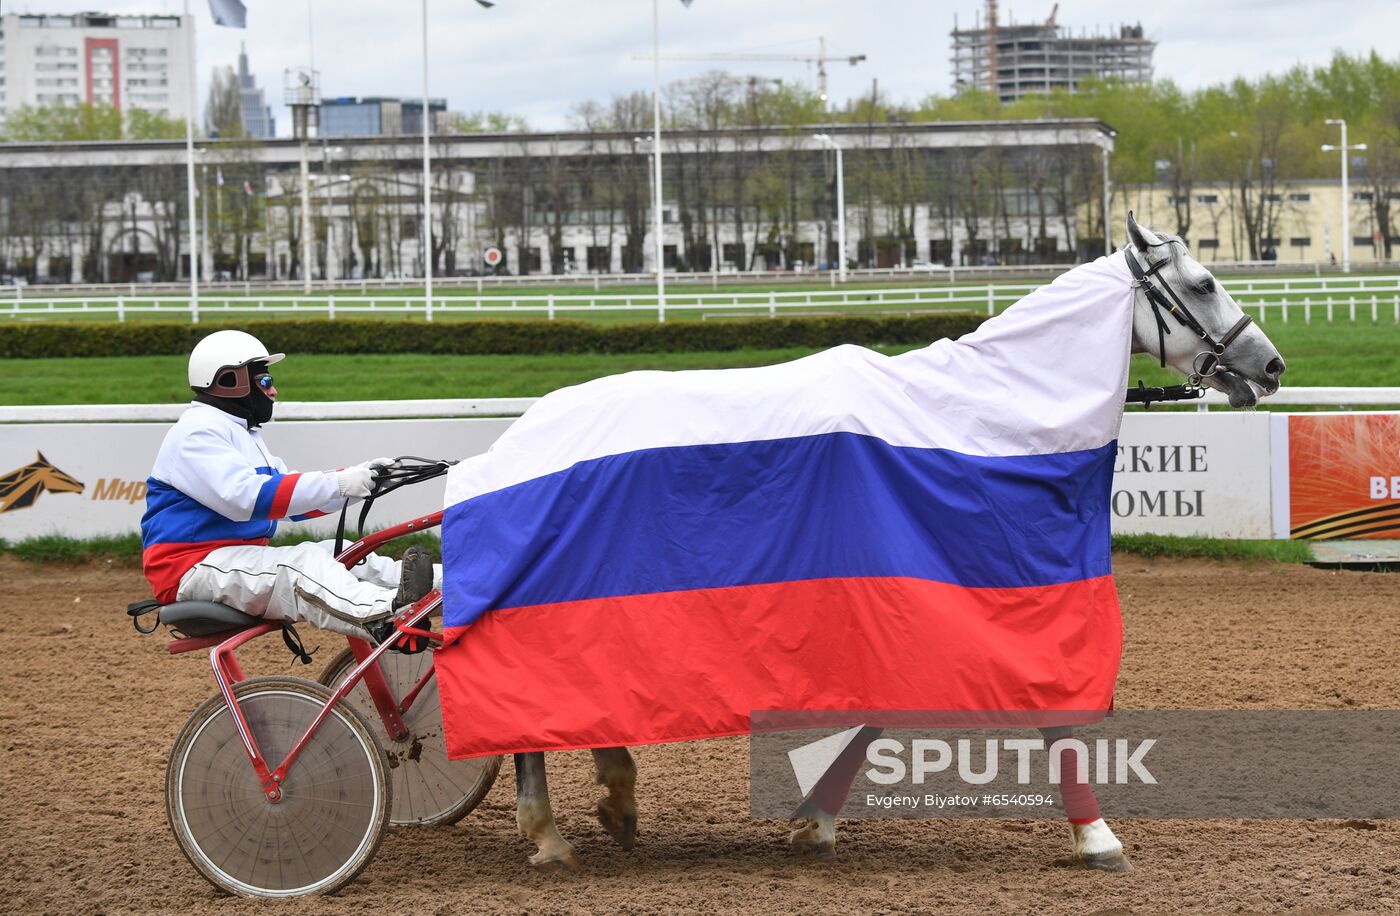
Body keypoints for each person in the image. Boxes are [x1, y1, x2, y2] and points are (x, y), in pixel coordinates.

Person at [140, 329, 435, 642]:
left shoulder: (242, 433)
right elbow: (248, 500)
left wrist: (360, 480)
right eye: (265, 381)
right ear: (230, 381)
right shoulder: (197, 433)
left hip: (230, 560)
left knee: (345, 553)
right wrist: (339, 483)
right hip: (191, 568)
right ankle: (387, 616)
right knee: (302, 564)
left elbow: (295, 505)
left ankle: (457, 585)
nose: (274, 391)